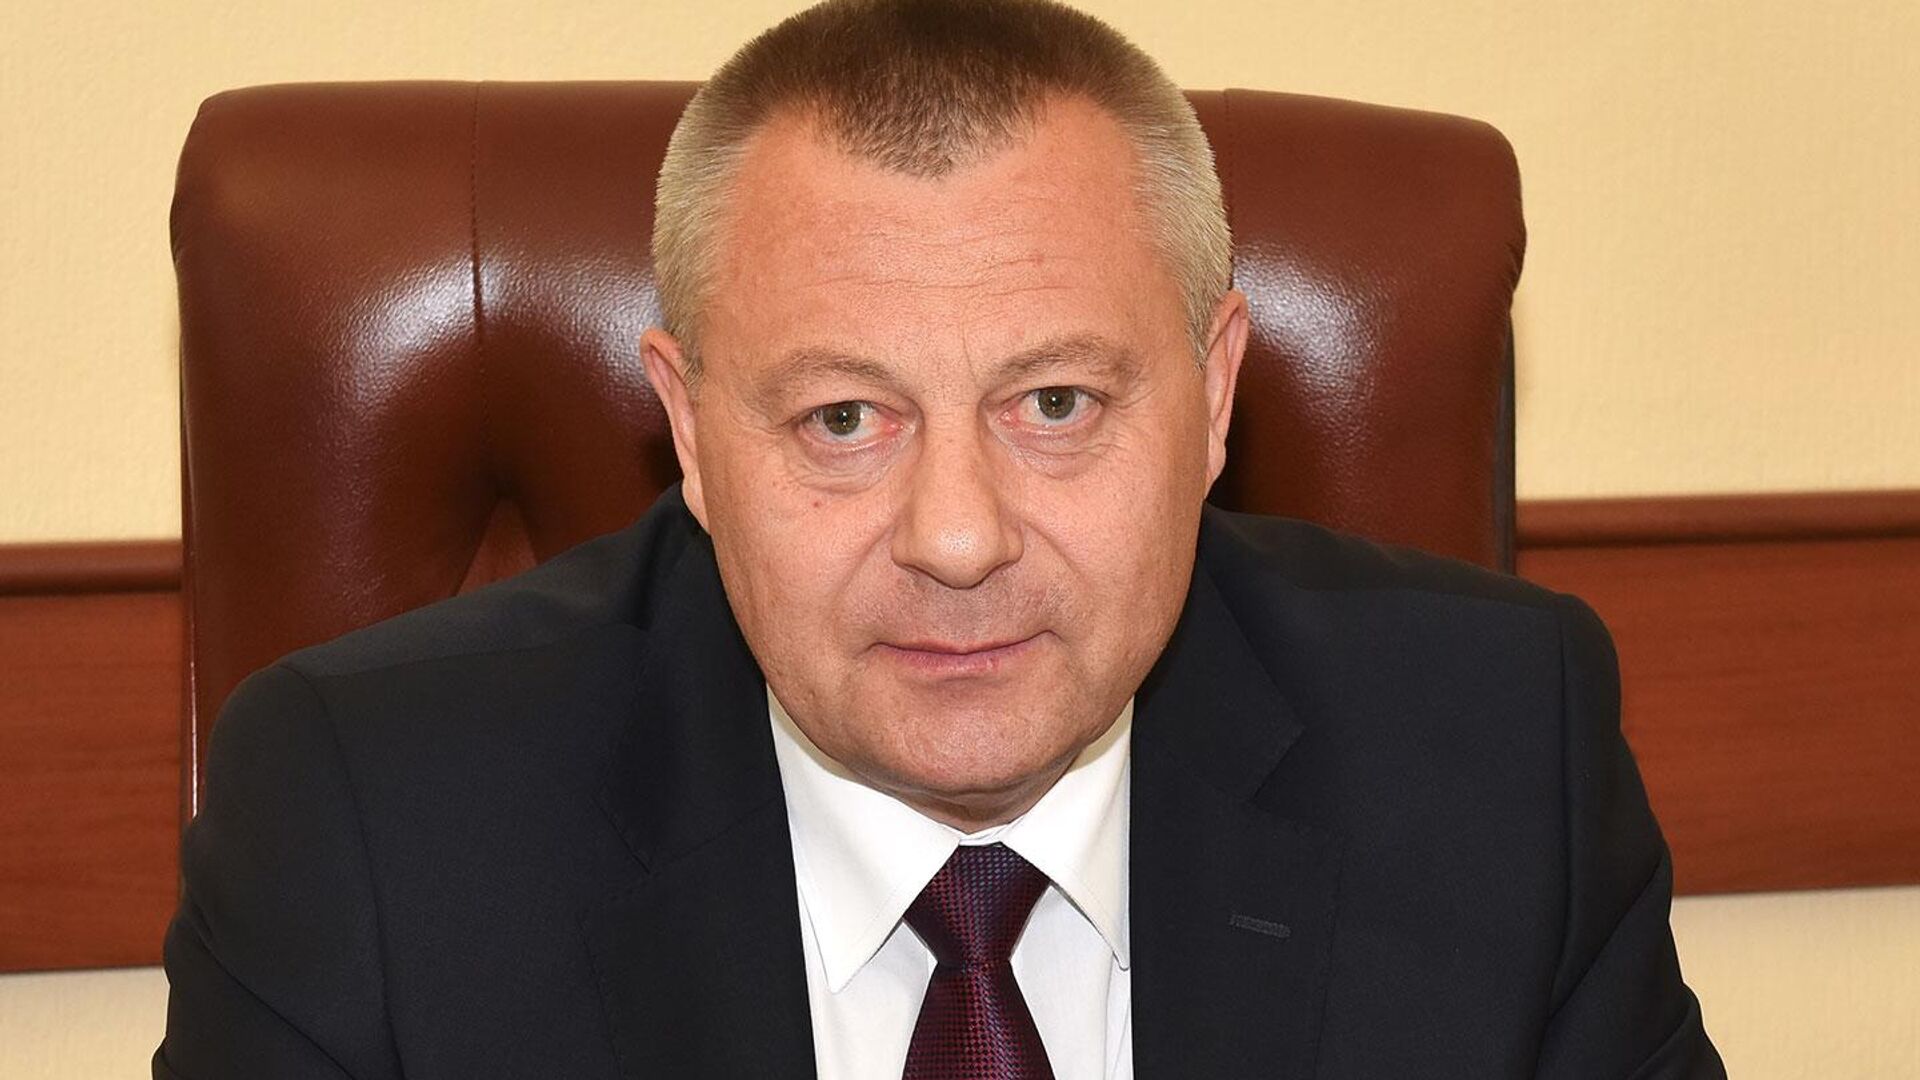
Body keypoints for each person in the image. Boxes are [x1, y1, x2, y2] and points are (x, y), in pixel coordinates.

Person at [154, 0, 1723, 1077]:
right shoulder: (373, 825)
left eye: (1056, 402)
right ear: (690, 432)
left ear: (1215, 392)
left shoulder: (1496, 753)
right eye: (844, 418)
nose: (959, 540)